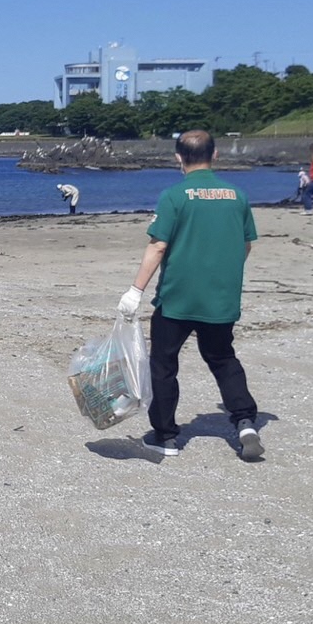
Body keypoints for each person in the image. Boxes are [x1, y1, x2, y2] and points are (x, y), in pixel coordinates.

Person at [117, 130, 263, 461]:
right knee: (223, 358)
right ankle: (245, 421)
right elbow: (246, 244)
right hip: (220, 298)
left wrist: (134, 290)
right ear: (215, 155)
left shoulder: (174, 195)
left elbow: (158, 246)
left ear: (178, 158)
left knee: (164, 364)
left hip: (178, 298)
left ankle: (166, 436)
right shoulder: (236, 195)